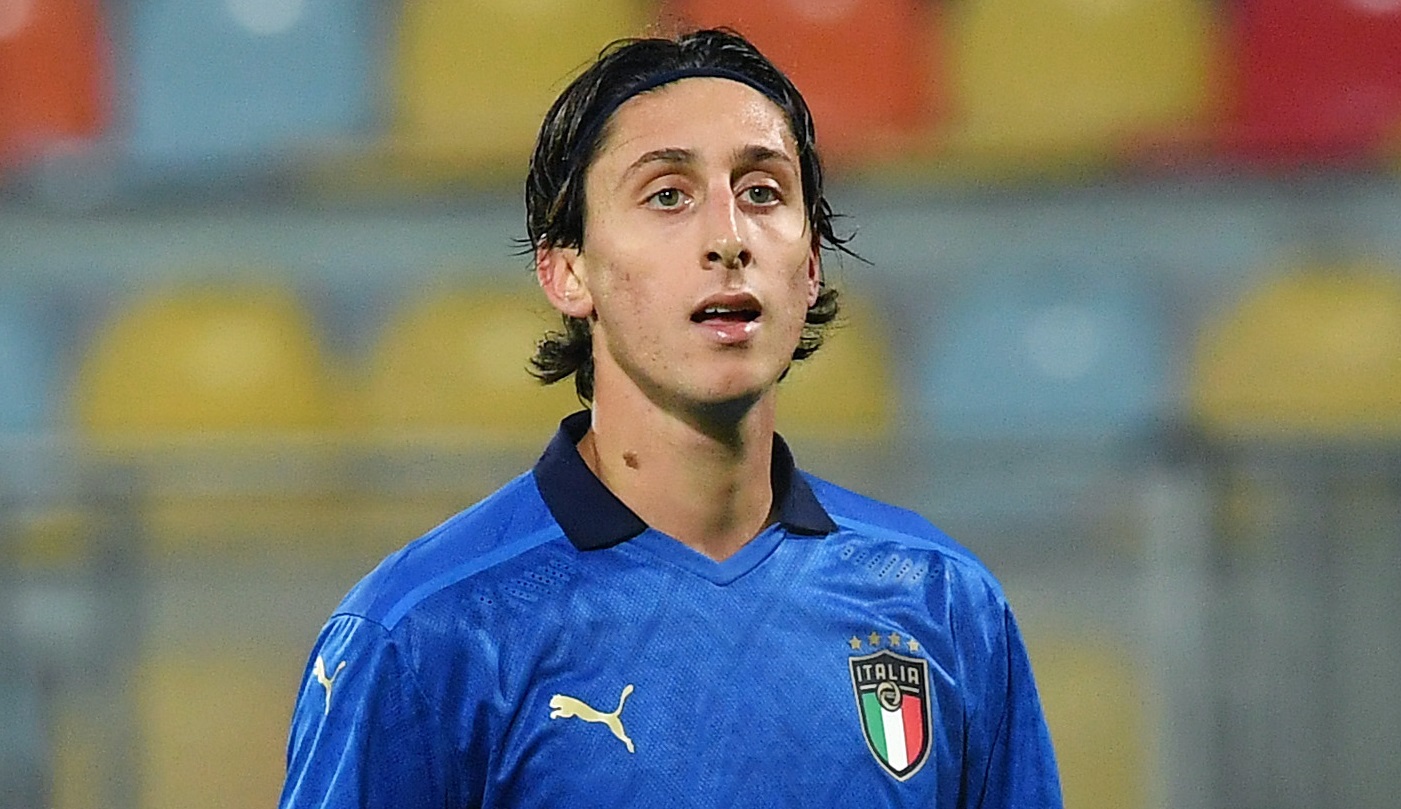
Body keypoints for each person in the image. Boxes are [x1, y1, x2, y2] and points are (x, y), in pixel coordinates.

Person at [280, 28, 1061, 808]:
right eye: (666, 195)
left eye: (762, 192)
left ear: (811, 265)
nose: (727, 239)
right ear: (567, 268)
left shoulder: (942, 603)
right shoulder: (426, 633)